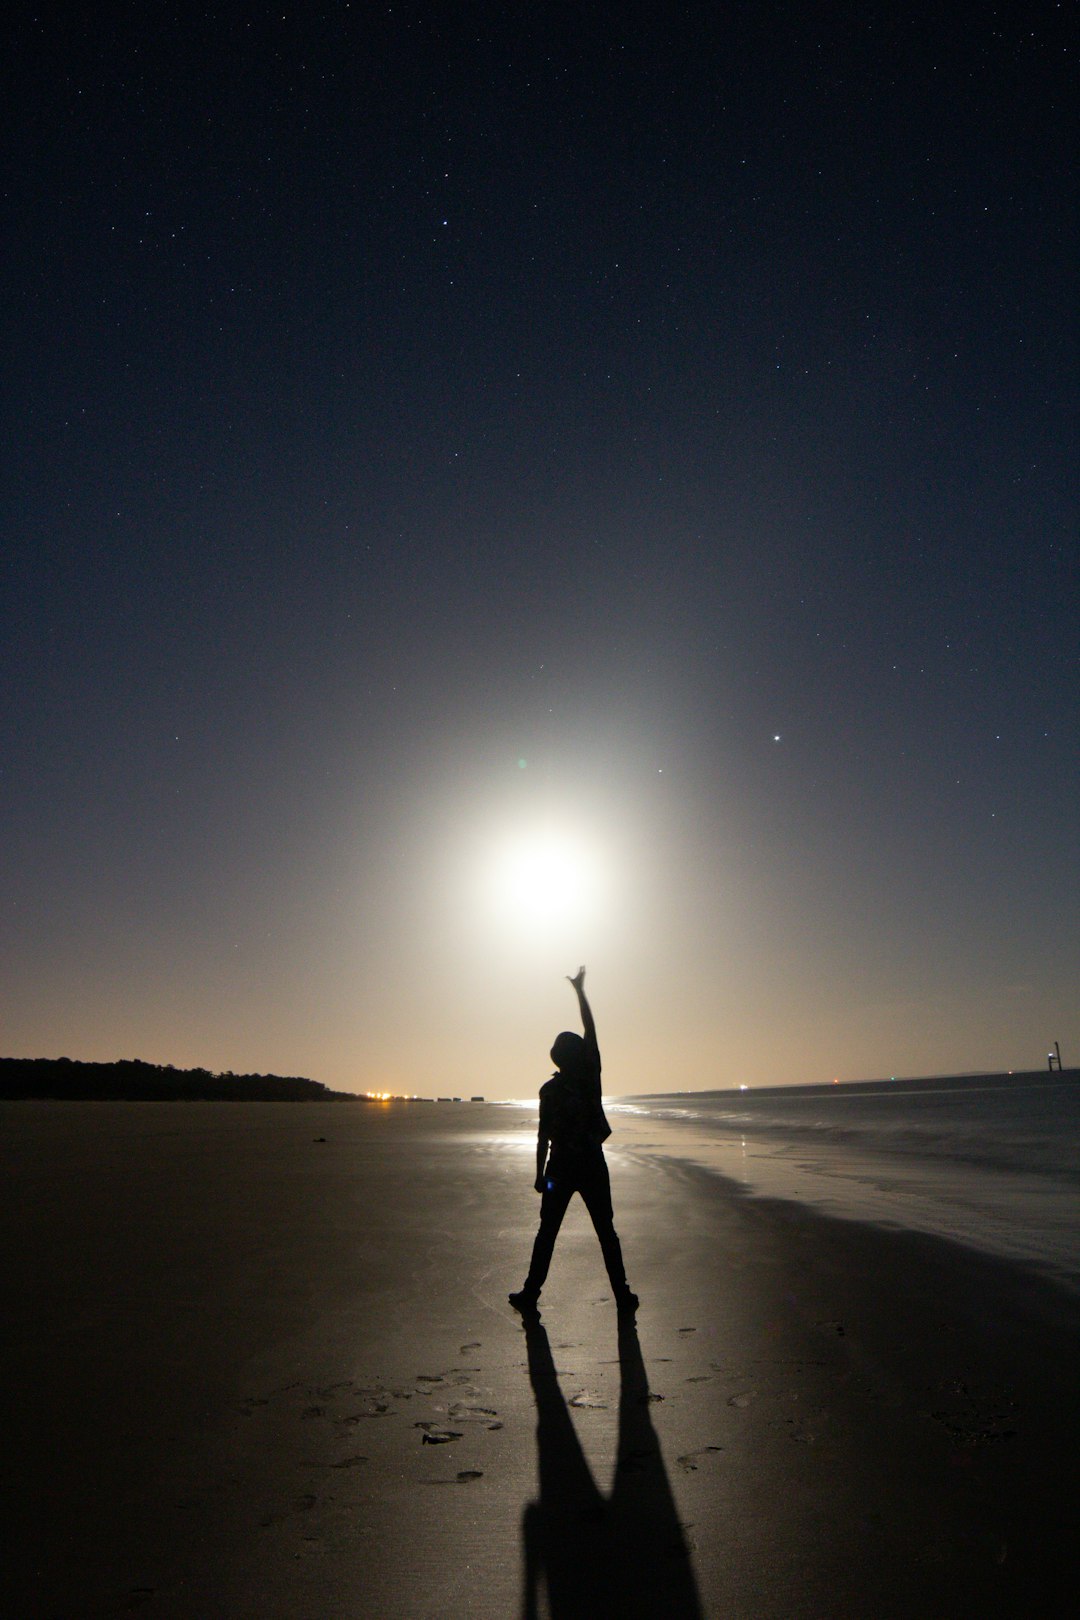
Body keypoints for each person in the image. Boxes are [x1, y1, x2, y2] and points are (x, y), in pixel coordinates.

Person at [509, 967, 638, 1314]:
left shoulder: (557, 1087)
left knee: (550, 1233)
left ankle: (530, 1294)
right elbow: (591, 1030)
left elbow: (542, 1136)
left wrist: (539, 1174)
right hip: (586, 1165)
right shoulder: (586, 1077)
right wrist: (580, 993)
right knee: (602, 1233)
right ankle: (622, 1297)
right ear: (576, 1056)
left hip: (562, 1167)